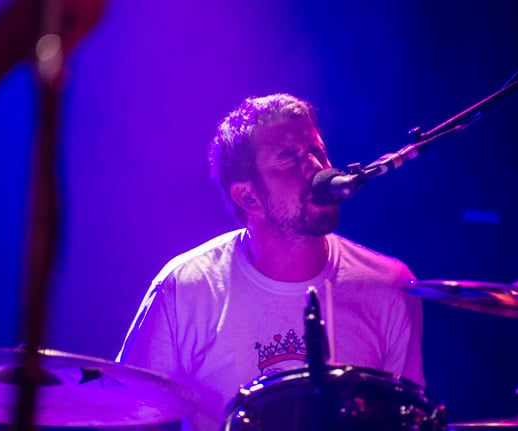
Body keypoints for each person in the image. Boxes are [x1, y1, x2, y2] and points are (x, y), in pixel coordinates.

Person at [116, 93, 424, 431]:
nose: (317, 168)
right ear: (248, 196)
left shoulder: (390, 285)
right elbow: (127, 418)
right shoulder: (186, 287)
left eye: (317, 151)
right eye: (289, 156)